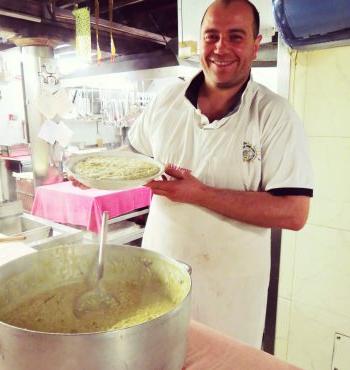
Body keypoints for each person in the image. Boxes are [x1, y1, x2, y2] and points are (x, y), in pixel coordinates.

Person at [71, 0, 313, 348]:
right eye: (211, 36)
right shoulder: (166, 100)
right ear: (199, 41)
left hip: (231, 298)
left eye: (235, 36)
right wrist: (92, 168)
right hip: (160, 283)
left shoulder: (274, 115)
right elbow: (134, 157)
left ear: (255, 44)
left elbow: (294, 212)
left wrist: (201, 194)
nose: (221, 48)